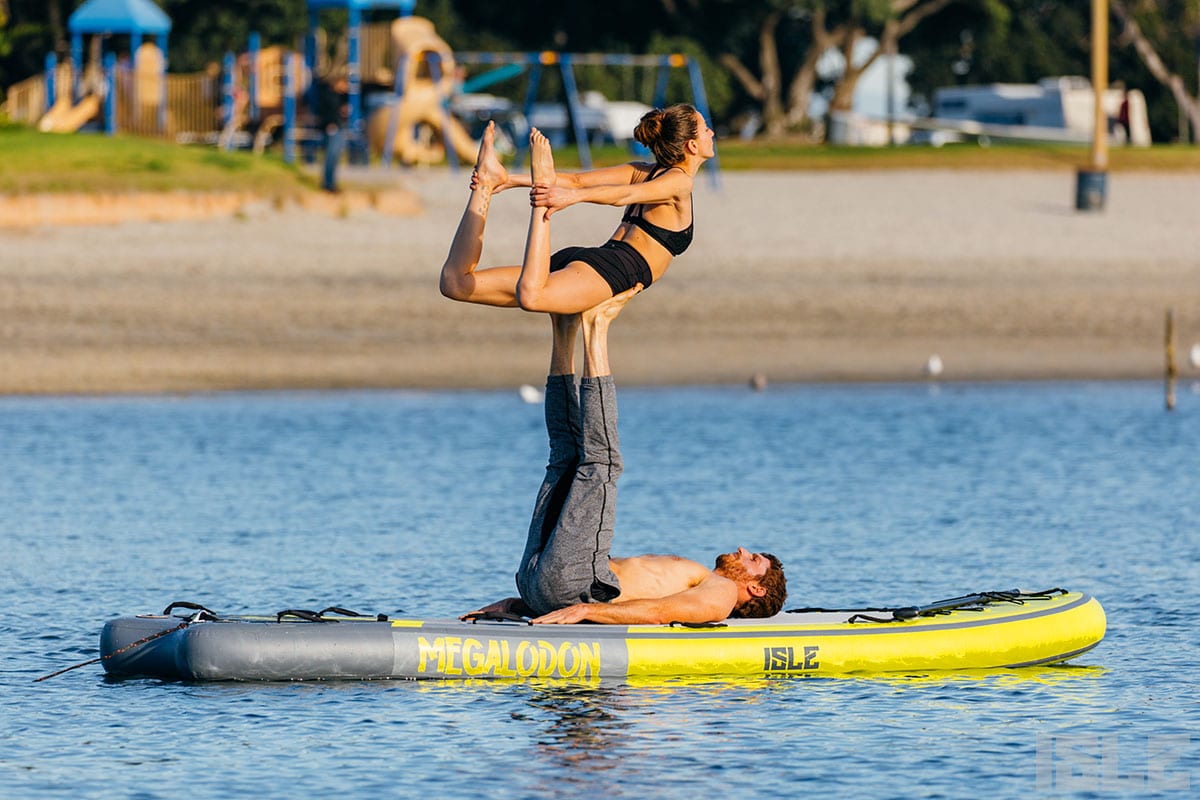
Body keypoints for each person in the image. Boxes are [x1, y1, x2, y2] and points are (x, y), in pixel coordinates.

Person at [464, 287, 787, 626]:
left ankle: (596, 326)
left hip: (568, 585)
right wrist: (521, 605)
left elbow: (660, 613)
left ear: (756, 589)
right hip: (539, 583)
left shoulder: (720, 593)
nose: (741, 550)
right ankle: (563, 329)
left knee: (602, 463)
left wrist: (587, 610)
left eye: (753, 560)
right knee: (567, 456)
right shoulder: (701, 578)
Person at [439, 103, 716, 315]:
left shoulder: (644, 172)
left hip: (589, 261)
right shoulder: (681, 180)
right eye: (706, 129)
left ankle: (484, 190)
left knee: (456, 283)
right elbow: (619, 194)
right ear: (692, 145)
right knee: (531, 297)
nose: (711, 133)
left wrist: (510, 180)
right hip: (613, 270)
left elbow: (580, 182)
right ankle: (504, 187)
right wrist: (561, 194)